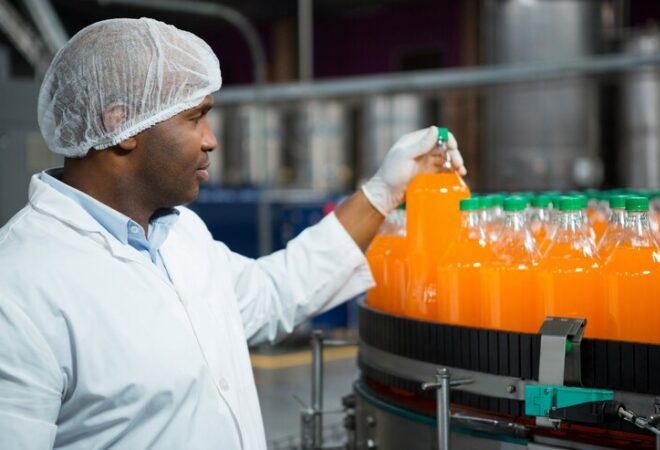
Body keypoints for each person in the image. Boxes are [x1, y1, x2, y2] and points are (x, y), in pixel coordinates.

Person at [0, 18, 465, 450]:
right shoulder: (20, 286)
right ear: (122, 124)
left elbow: (277, 290)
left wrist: (384, 191)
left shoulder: (182, 236)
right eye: (194, 116)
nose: (211, 139)